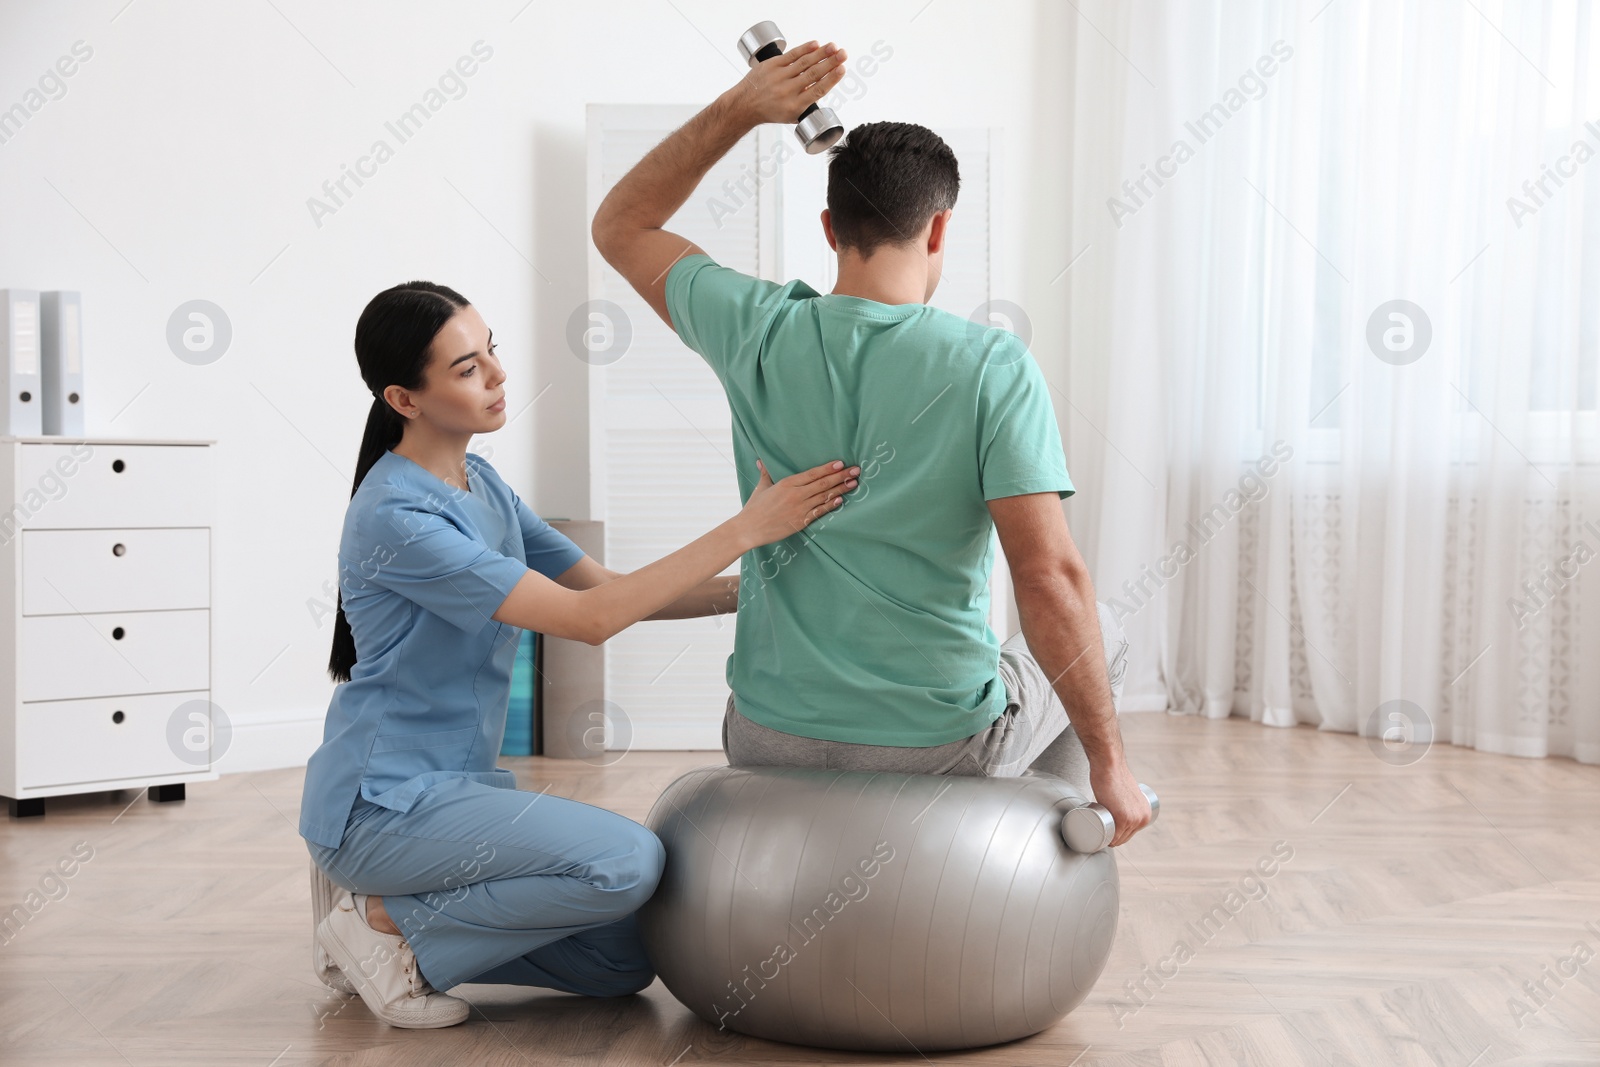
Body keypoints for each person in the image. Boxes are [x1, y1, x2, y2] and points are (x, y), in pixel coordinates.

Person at [590, 42, 1151, 843]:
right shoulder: (991, 362)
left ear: (830, 226)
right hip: (937, 749)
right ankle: (1043, 847)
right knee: (1106, 627)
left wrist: (743, 107)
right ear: (940, 227)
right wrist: (1111, 762)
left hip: (765, 737)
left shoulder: (752, 327)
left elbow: (622, 223)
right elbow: (1049, 575)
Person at [300, 280, 860, 1028]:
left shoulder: (482, 482)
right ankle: (380, 924)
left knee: (622, 959)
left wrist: (762, 591)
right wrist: (746, 528)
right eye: (467, 368)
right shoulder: (397, 517)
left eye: (491, 350)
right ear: (404, 399)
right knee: (628, 862)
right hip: (382, 807)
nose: (498, 374)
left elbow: (613, 589)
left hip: (459, 792)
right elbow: (590, 619)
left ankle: (386, 933)